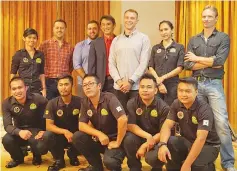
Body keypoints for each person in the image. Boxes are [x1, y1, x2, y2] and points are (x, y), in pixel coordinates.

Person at [184, 5, 236, 171]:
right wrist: (209, 61)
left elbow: (220, 61)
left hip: (214, 84)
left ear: (216, 18)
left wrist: (197, 59)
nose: (206, 19)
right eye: (204, 16)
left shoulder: (223, 37)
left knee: (221, 123)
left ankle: (228, 163)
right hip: (196, 84)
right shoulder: (194, 39)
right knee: (196, 123)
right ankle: (199, 157)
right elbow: (187, 64)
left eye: (209, 16)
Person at [146, 77, 220, 171]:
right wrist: (162, 144)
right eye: (180, 90)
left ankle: (209, 167)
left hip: (209, 145)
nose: (183, 94)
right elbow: (167, 125)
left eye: (188, 91)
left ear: (196, 92)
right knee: (162, 148)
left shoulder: (204, 109)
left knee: (194, 165)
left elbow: (201, 139)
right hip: (188, 141)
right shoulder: (176, 103)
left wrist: (187, 164)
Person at [72, 74, 128, 171]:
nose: (87, 87)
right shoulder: (85, 101)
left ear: (99, 86)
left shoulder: (109, 98)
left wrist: (118, 142)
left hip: (115, 139)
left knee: (110, 162)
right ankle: (96, 167)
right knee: (78, 136)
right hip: (100, 139)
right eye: (84, 85)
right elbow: (81, 125)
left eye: (90, 84)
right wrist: (99, 134)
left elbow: (123, 119)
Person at [123, 73, 170, 171]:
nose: (145, 90)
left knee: (152, 158)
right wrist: (147, 136)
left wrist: (146, 144)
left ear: (156, 90)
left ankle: (157, 168)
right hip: (139, 136)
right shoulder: (132, 102)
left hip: (157, 139)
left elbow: (164, 131)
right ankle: (134, 167)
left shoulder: (164, 107)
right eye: (142, 87)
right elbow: (130, 125)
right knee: (128, 139)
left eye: (149, 87)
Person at [109, 9, 151, 111]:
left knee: (136, 118)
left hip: (136, 87)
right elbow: (111, 63)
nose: (129, 20)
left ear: (137, 21)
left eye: (132, 18)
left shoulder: (144, 39)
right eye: (127, 17)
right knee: (120, 118)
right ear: (124, 19)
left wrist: (130, 82)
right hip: (119, 88)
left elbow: (144, 63)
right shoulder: (116, 40)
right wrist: (119, 82)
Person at [2, 76, 48, 168]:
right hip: (19, 131)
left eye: (20, 87)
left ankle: (37, 155)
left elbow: (49, 114)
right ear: (11, 91)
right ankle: (18, 158)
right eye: (14, 89)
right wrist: (19, 132)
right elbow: (7, 126)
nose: (18, 91)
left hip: (36, 131)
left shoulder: (38, 98)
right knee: (6, 140)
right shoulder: (6, 103)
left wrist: (44, 130)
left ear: (26, 88)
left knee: (41, 145)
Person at [39, 74, 81, 171]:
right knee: (47, 135)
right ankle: (59, 160)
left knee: (82, 135)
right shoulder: (52, 103)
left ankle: (73, 155)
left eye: (66, 84)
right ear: (57, 87)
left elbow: (85, 123)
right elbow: (48, 126)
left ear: (72, 86)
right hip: (59, 136)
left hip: (75, 136)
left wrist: (74, 134)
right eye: (60, 85)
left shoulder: (81, 102)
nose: (63, 87)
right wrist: (64, 131)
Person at [148, 20, 184, 105]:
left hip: (172, 85)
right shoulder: (155, 48)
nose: (164, 32)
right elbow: (150, 67)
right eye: (161, 30)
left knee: (170, 110)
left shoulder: (179, 47)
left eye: (166, 29)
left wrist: (163, 77)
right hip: (156, 84)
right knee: (156, 109)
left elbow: (180, 68)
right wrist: (159, 81)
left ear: (171, 30)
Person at [39, 19, 73, 100]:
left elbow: (71, 65)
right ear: (53, 29)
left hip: (64, 82)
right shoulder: (44, 45)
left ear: (65, 30)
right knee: (49, 108)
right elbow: (37, 63)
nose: (59, 30)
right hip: (48, 82)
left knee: (64, 107)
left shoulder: (70, 47)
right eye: (57, 28)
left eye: (62, 28)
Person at [11, 28, 46, 97]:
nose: (32, 40)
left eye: (34, 38)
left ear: (36, 40)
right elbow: (13, 73)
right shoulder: (18, 54)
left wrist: (44, 88)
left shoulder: (40, 55)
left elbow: (42, 73)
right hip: (22, 89)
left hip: (37, 89)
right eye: (29, 37)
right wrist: (13, 89)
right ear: (24, 38)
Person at [88, 15, 116, 93]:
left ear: (114, 25)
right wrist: (92, 83)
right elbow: (91, 66)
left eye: (108, 24)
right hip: (101, 82)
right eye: (103, 24)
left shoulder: (119, 41)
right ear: (100, 27)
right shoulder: (95, 43)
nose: (105, 27)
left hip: (117, 82)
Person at [73, 20, 99, 97]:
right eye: (90, 29)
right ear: (87, 30)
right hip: (83, 83)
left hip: (100, 84)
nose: (92, 31)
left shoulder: (103, 45)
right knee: (84, 106)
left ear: (98, 30)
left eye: (94, 28)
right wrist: (87, 80)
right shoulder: (79, 46)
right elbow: (77, 65)